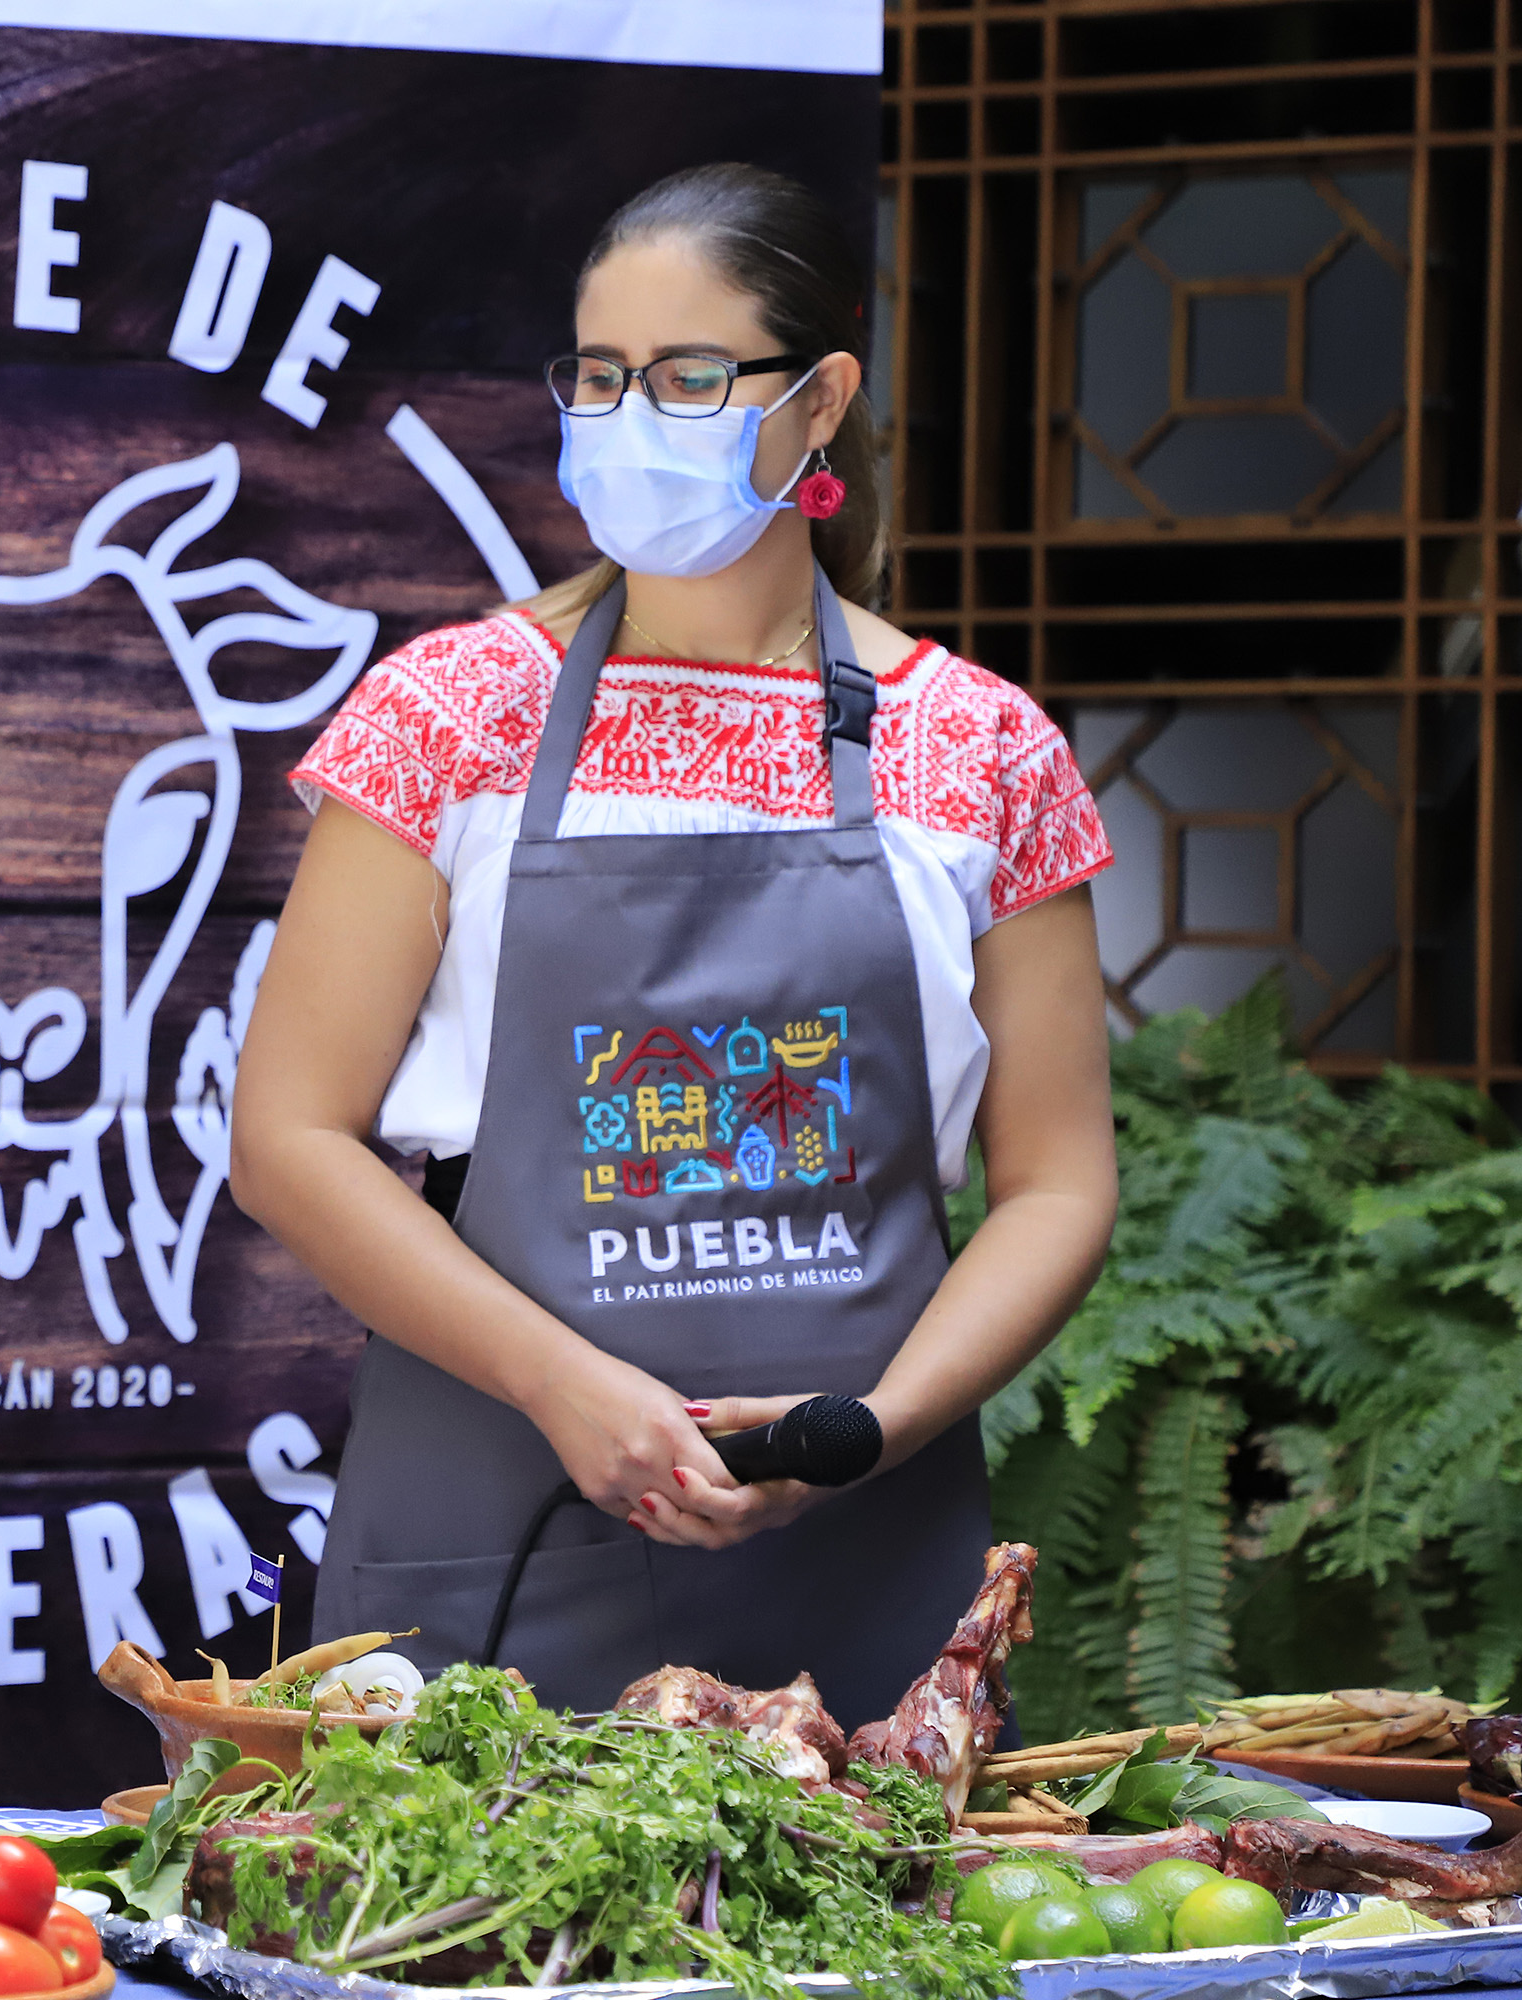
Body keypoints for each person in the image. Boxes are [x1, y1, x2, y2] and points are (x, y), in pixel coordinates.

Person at [228, 163, 1117, 1727]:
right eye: (599, 375)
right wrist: (562, 1384)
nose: (631, 418)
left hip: (861, 1563)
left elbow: (1058, 1183)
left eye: (692, 378)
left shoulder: (982, 749)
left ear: (822, 400)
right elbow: (287, 1139)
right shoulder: (452, 715)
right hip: (504, 1530)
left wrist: (868, 1431)